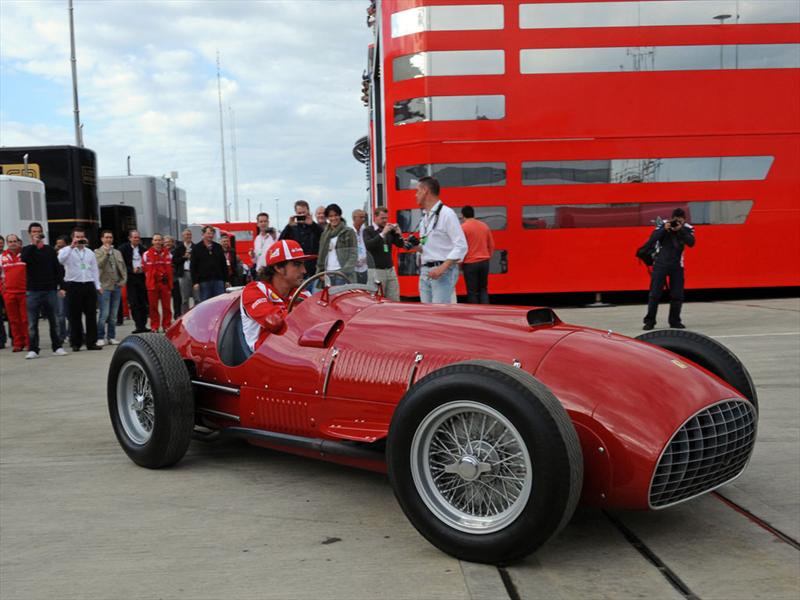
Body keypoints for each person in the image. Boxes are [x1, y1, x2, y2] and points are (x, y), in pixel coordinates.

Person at [240, 239, 315, 352]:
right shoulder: (255, 291)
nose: (304, 270)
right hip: (265, 358)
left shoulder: (303, 293)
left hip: (296, 352)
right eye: (297, 264)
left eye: (303, 264)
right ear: (278, 268)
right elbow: (278, 325)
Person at [413, 176, 467, 304]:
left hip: (442, 272)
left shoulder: (447, 214)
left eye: (417, 191)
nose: (415, 195)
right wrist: (413, 246)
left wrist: (442, 268)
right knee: (427, 316)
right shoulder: (425, 218)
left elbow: (461, 245)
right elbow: (425, 246)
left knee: (438, 315)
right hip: (426, 271)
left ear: (425, 190)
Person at [643, 208, 696, 330]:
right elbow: (652, 239)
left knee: (677, 295)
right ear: (672, 218)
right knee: (654, 294)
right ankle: (650, 321)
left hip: (677, 265)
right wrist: (663, 229)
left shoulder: (688, 228)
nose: (677, 222)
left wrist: (680, 229)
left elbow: (691, 243)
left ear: (684, 220)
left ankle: (674, 321)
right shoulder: (663, 224)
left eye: (680, 220)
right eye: (675, 220)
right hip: (660, 263)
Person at [21, 223, 66, 358]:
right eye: (34, 232)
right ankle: (33, 349)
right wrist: (34, 244)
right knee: (32, 322)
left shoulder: (50, 250)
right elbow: (24, 259)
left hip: (50, 290)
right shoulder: (27, 249)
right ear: (30, 234)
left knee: (55, 320)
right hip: (33, 291)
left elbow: (57, 270)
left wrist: (62, 286)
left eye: (39, 231)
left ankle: (57, 346)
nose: (37, 234)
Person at [58, 227, 103, 351]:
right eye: (77, 237)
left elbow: (94, 270)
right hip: (73, 285)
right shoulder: (66, 250)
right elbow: (60, 260)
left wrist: (98, 285)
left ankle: (91, 342)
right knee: (74, 316)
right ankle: (76, 342)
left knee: (91, 315)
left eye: (81, 237)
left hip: (88, 284)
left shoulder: (90, 252)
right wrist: (71, 247)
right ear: (72, 238)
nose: (79, 239)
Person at [363, 207, 405, 301]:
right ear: (375, 217)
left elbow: (400, 244)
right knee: (377, 300)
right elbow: (369, 246)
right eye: (382, 218)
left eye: (386, 218)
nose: (385, 220)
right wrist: (382, 233)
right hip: (376, 271)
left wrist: (399, 234)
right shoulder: (368, 230)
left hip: (390, 270)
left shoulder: (388, 230)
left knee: (394, 299)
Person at [95, 229, 127, 345]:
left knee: (114, 314)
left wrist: (123, 281)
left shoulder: (117, 252)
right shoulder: (98, 252)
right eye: (106, 237)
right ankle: (100, 337)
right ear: (102, 239)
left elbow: (123, 268)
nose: (109, 239)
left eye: (110, 237)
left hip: (117, 285)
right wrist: (106, 253)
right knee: (104, 314)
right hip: (104, 286)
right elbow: (99, 265)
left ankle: (111, 336)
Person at [460, 206, 495, 304]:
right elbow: (491, 245)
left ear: (462, 215)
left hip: (470, 263)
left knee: (472, 292)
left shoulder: (463, 228)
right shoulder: (484, 226)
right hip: (484, 262)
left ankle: (474, 313)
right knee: (483, 289)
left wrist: (460, 263)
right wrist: (487, 257)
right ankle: (486, 312)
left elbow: (461, 247)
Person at [1, 234, 30, 352]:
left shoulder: (25, 255)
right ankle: (18, 343)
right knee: (13, 320)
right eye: (10, 241)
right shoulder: (2, 257)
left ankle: (28, 343)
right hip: (9, 293)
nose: (13, 243)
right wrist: (2, 290)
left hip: (24, 292)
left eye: (15, 241)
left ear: (19, 242)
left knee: (25, 319)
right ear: (7, 243)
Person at [279, 200, 323, 277]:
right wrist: (288, 226)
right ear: (295, 214)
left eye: (304, 213)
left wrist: (312, 224)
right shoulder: (292, 228)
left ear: (308, 212)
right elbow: (280, 242)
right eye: (299, 213)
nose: (302, 215)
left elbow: (323, 237)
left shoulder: (315, 227)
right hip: (297, 270)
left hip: (314, 269)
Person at [316, 203, 357, 284]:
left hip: (342, 274)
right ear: (327, 218)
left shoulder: (349, 232)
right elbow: (320, 254)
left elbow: (354, 254)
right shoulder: (324, 234)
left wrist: (344, 272)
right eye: (330, 216)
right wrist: (319, 272)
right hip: (327, 273)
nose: (333, 218)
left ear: (340, 216)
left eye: (336, 215)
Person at [119, 230, 150, 333]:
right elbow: (121, 264)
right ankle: (138, 325)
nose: (136, 239)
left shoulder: (143, 249)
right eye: (134, 237)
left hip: (141, 278)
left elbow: (147, 263)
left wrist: (142, 269)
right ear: (130, 238)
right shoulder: (123, 249)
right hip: (131, 279)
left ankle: (143, 325)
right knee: (134, 303)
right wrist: (131, 270)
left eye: (138, 237)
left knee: (143, 302)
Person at [142, 233, 173, 331]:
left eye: (159, 240)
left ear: (162, 241)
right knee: (153, 307)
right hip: (152, 284)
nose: (157, 242)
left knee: (167, 306)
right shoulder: (146, 254)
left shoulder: (168, 254)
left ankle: (166, 325)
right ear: (152, 241)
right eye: (155, 240)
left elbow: (170, 268)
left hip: (164, 283)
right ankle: (154, 326)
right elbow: (144, 269)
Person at [191, 225, 228, 302]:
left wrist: (226, 280)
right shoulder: (196, 248)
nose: (210, 235)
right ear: (203, 234)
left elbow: (223, 264)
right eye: (208, 233)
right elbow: (193, 266)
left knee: (220, 302)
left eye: (211, 233)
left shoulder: (218, 247)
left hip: (218, 280)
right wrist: (195, 282)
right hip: (204, 282)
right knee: (206, 303)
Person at [174, 228, 196, 314]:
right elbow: (175, 261)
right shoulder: (179, 248)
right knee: (184, 299)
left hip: (194, 274)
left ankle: (196, 315)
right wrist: (184, 257)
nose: (188, 236)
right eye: (186, 235)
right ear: (183, 236)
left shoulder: (196, 247)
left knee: (197, 298)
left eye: (189, 235)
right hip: (183, 274)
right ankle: (185, 316)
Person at [54, 235, 70, 342]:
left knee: (71, 313)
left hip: (71, 286)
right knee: (60, 314)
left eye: (62, 246)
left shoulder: (70, 255)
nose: (59, 248)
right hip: (59, 288)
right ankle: (61, 335)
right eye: (58, 246)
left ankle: (71, 333)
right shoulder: (53, 257)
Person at [164, 235, 182, 318]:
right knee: (165, 299)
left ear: (173, 242)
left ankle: (177, 314)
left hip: (174, 277)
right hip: (164, 278)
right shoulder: (162, 252)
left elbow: (178, 263)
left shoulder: (176, 251)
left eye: (169, 242)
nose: (167, 244)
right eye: (165, 242)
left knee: (177, 298)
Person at [352, 209, 369, 284]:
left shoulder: (366, 230)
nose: (363, 219)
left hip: (365, 267)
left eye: (364, 217)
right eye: (361, 217)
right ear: (354, 218)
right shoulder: (349, 231)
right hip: (353, 268)